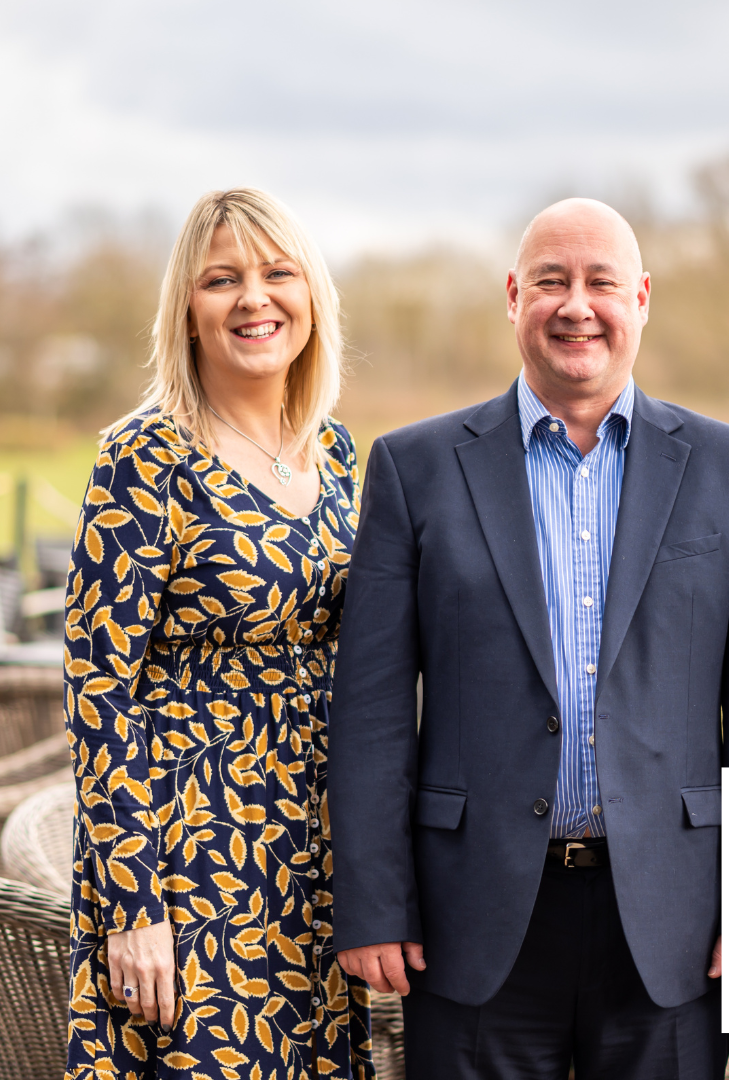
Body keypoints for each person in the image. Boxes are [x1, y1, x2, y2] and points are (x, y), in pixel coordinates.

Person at [328, 197, 729, 1079]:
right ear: (514, 296)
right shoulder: (414, 468)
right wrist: (373, 903)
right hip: (470, 919)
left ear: (643, 299)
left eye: (601, 283)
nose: (576, 305)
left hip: (671, 916)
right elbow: (372, 709)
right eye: (551, 281)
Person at [63, 188, 374, 1080]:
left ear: (312, 299)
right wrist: (132, 907)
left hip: (305, 861)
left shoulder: (337, 454)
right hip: (188, 859)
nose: (254, 298)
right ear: (188, 311)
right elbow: (98, 685)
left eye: (278, 274)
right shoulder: (145, 457)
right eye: (222, 279)